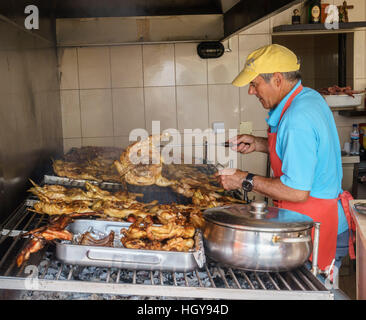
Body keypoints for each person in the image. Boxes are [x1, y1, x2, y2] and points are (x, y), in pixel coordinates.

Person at [216, 44, 356, 274]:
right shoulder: (309, 97)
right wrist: (260, 144)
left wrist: (243, 179)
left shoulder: (296, 117)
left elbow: (296, 191)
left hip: (314, 229)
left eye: (254, 83)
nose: (251, 91)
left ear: (278, 80)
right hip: (317, 221)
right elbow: (305, 149)